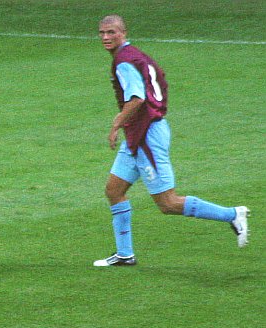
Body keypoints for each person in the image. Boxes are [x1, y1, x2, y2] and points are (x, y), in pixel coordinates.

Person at [93, 15, 250, 267]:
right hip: (139, 132)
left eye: (111, 32)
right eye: (102, 33)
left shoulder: (124, 62)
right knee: (114, 190)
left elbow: (137, 98)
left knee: (168, 203)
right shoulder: (136, 55)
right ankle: (125, 254)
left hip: (146, 134)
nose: (105, 37)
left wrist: (116, 123)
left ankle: (232, 214)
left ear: (123, 32)